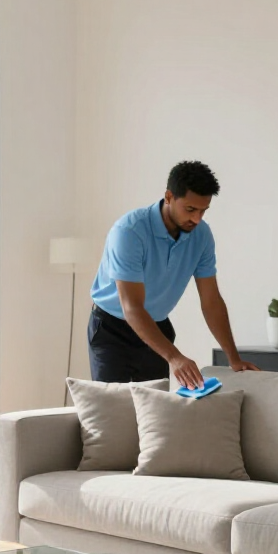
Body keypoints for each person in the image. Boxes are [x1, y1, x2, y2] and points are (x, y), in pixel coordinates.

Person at [88, 160, 258, 387]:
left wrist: (233, 359)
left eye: (203, 211)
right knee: (111, 412)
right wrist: (175, 357)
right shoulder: (129, 232)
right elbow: (132, 307)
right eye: (190, 209)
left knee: (155, 413)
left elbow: (211, 301)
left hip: (157, 327)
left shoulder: (202, 236)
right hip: (112, 329)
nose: (197, 219)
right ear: (169, 197)